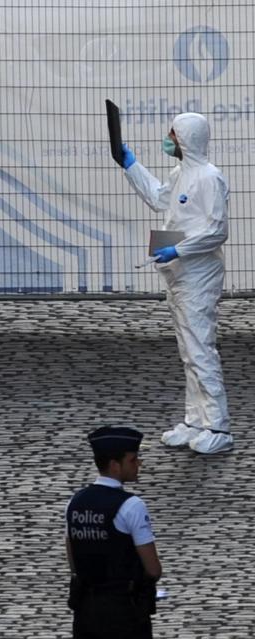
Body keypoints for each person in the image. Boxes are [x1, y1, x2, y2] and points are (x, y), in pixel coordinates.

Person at [119, 112, 232, 454]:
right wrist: (131, 165)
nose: (168, 139)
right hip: (179, 274)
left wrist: (177, 249)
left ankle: (218, 426)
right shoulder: (179, 173)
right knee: (188, 351)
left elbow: (216, 231)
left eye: (172, 134)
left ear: (186, 138)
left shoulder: (210, 178)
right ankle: (195, 420)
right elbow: (158, 198)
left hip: (199, 275)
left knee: (201, 349)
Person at [66, 426, 161, 639]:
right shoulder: (131, 505)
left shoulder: (75, 502)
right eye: (133, 460)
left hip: (86, 611)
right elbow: (153, 569)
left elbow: (73, 561)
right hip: (124, 612)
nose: (139, 464)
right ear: (114, 465)